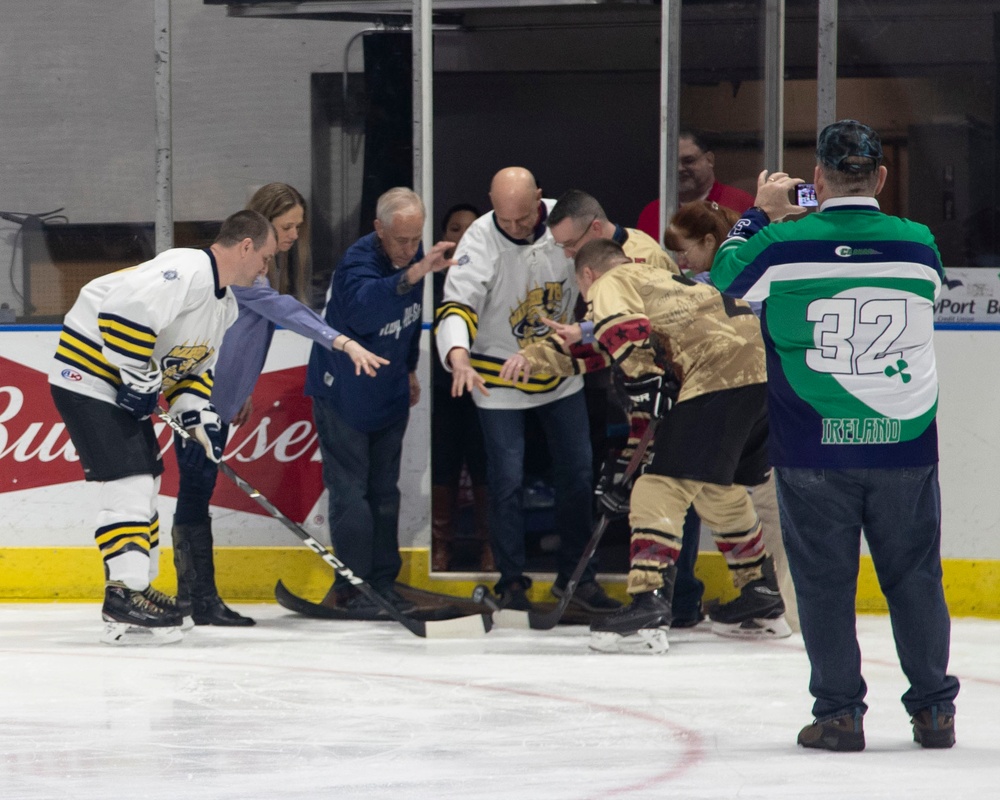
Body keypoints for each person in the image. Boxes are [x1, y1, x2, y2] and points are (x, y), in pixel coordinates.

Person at [711, 119, 960, 750]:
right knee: (916, 578)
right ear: (880, 176)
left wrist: (760, 215)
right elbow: (929, 291)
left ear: (816, 179)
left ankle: (840, 715)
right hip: (904, 443)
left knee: (824, 583)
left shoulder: (783, 246)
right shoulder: (918, 244)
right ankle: (934, 712)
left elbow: (724, 276)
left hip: (815, 446)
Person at [499, 238, 791, 654]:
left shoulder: (612, 280)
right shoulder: (661, 282)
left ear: (588, 275)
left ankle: (647, 606)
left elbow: (618, 328)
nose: (588, 305)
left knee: (658, 488)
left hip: (716, 376)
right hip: (761, 379)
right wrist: (538, 357)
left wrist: (643, 378)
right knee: (715, 489)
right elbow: (605, 343)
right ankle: (759, 598)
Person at [48, 210, 278, 645]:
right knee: (130, 481)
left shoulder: (224, 306)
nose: (266, 268)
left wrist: (199, 419)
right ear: (245, 246)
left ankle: (137, 590)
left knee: (147, 482)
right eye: (265, 257)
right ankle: (124, 594)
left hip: (115, 386)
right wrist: (138, 376)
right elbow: (120, 314)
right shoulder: (186, 269)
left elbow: (190, 374)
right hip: (88, 379)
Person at [170, 183, 387, 627]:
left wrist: (242, 390)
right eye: (287, 226)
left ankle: (194, 598)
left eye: (298, 226)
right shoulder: (245, 276)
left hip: (219, 399)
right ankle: (197, 598)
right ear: (261, 229)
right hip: (198, 399)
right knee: (194, 491)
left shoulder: (258, 276)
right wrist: (341, 341)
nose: (293, 235)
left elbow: (240, 334)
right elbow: (283, 310)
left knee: (196, 490)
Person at [435, 167, 621, 614]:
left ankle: (577, 579)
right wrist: (457, 354)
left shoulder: (567, 221)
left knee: (578, 476)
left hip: (559, 371)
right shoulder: (479, 239)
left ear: (541, 196)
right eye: (506, 220)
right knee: (505, 482)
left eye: (524, 218)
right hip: (494, 377)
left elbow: (611, 272)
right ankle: (510, 581)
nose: (516, 228)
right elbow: (458, 303)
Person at [306, 187, 456, 616]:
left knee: (384, 493)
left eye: (416, 239)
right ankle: (352, 586)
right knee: (351, 492)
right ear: (378, 229)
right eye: (401, 240)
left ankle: (382, 581)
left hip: (387, 391)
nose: (410, 250)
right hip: (343, 394)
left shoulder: (413, 256)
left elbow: (408, 321)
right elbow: (368, 310)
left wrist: (409, 367)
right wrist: (413, 273)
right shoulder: (356, 264)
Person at [662, 199, 799, 632]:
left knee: (752, 501)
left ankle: (771, 605)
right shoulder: (755, 273)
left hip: (744, 405)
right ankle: (776, 606)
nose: (678, 260)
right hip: (765, 401)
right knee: (755, 501)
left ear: (709, 241)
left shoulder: (708, 284)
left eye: (683, 249)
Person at [430, 203, 494, 572]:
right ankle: (442, 546)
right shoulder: (431, 276)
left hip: (486, 382)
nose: (463, 236)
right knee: (444, 463)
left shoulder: (491, 268)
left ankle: (489, 546)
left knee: (486, 463)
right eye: (455, 228)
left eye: (471, 229)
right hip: (443, 385)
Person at [636, 130, 755, 243]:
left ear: (709, 160)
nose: (680, 168)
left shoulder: (742, 204)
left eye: (688, 160)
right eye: (672, 162)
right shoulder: (652, 212)